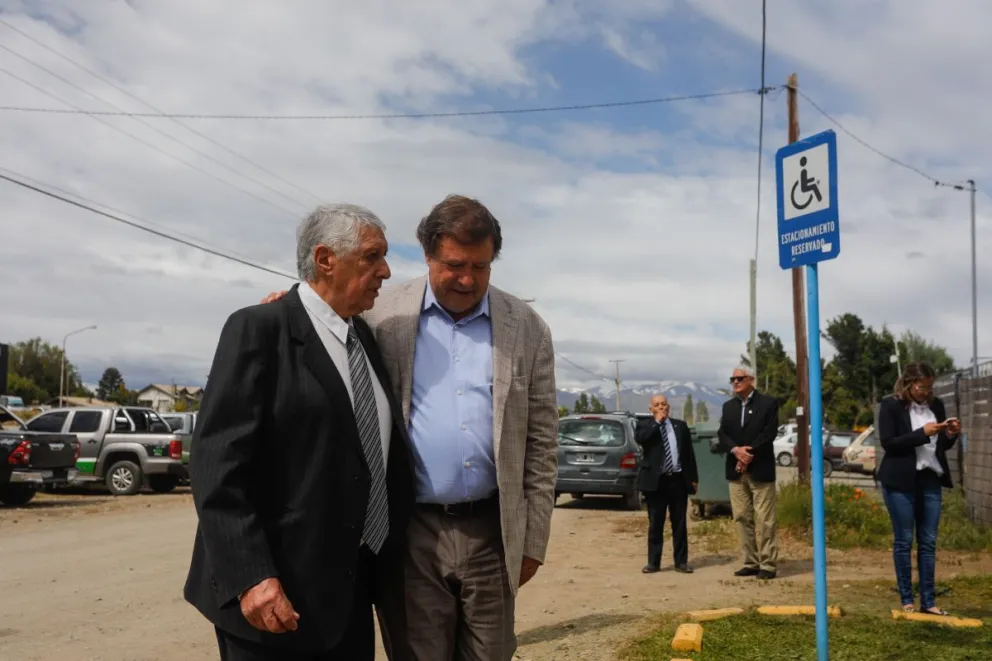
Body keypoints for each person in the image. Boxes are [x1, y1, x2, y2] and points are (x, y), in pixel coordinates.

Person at [261, 194, 558, 661]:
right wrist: (287, 308)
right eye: (454, 265)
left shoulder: (526, 327)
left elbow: (542, 442)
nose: (467, 279)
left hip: (493, 533)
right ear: (427, 256)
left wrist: (533, 541)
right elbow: (319, 318)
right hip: (410, 532)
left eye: (480, 267)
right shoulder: (383, 314)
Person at [184, 204, 414, 661]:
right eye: (372, 256)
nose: (386, 271)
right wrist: (251, 577)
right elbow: (217, 467)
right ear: (326, 259)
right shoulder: (259, 329)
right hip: (274, 600)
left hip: (349, 595)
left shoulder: (364, 339)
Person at [876, 361, 960, 615]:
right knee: (904, 540)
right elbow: (889, 443)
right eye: (922, 388)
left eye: (930, 388)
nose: (926, 392)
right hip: (900, 480)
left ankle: (929, 601)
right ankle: (907, 600)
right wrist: (922, 433)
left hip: (930, 477)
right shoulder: (891, 406)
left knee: (928, 541)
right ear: (909, 384)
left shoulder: (936, 406)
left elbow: (941, 446)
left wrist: (950, 434)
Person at [717, 365, 780, 579]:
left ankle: (768, 564)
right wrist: (736, 451)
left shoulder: (768, 404)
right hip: (736, 470)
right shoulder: (728, 407)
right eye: (732, 379)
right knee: (742, 517)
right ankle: (750, 562)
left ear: (751, 379)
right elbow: (723, 433)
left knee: (765, 519)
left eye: (739, 378)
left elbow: (769, 433)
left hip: (760, 469)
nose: (735, 382)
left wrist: (748, 453)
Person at [634, 394, 698, 574]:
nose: (661, 407)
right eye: (657, 405)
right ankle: (653, 563)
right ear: (651, 409)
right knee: (656, 523)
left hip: (677, 479)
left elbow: (689, 454)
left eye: (663, 404)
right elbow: (642, 439)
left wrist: (693, 478)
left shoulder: (680, 426)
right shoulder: (645, 425)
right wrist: (657, 422)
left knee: (679, 523)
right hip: (656, 482)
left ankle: (681, 562)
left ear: (668, 407)